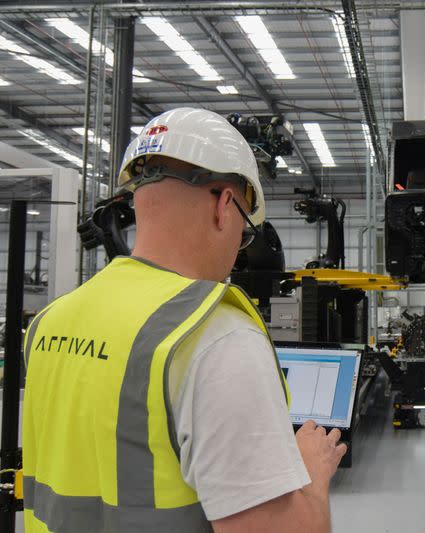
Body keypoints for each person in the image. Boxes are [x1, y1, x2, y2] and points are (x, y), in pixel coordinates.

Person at [22, 107, 346, 533]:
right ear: (225, 205)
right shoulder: (216, 337)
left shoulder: (49, 322)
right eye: (245, 233)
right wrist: (312, 475)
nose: (238, 250)